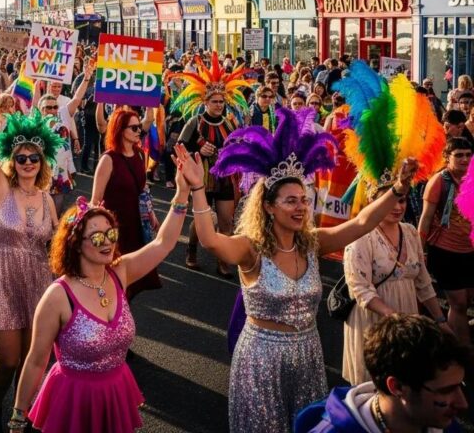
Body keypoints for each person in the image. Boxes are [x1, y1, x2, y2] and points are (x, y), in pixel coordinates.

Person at [178, 107, 418, 433]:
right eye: (290, 201)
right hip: (261, 360)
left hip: (308, 354)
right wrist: (196, 188)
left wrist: (398, 187)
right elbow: (209, 239)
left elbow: (362, 222)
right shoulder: (251, 248)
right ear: (268, 206)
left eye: (304, 200)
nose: (301, 207)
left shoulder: (311, 243)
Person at [10, 170, 192, 433]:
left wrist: (182, 193)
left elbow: (163, 243)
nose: (107, 243)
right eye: (96, 237)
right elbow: (37, 360)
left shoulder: (120, 271)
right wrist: (18, 418)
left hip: (116, 392)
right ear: (75, 243)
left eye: (111, 234)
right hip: (74, 400)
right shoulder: (58, 296)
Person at [0, 87, 61, 433]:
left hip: (38, 280)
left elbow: (56, 247)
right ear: (12, 161)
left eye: (33, 157)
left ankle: (20, 415)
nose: (27, 163)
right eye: (20, 158)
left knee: (31, 360)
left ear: (42, 161)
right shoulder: (0, 191)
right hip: (3, 278)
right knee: (7, 362)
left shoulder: (48, 199)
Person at [341, 177, 446, 384]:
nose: (398, 207)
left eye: (403, 200)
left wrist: (440, 320)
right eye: (391, 201)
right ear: (374, 202)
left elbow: (423, 282)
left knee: (406, 384)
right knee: (375, 387)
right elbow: (359, 288)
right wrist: (393, 316)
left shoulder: (410, 232)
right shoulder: (360, 235)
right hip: (374, 322)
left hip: (405, 317)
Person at [295, 314, 469, 432]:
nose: (463, 404)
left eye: (460, 386)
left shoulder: (442, 424)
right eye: (446, 390)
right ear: (397, 386)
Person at [172, 53, 254, 275]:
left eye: (221, 101)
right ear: (205, 102)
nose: (219, 105)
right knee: (205, 219)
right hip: (202, 178)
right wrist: (198, 150)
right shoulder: (195, 122)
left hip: (225, 177)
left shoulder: (229, 123)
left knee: (226, 220)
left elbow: (238, 147)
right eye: (214, 101)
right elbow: (178, 147)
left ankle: (223, 260)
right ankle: (191, 249)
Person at [91, 107, 161, 300]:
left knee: (132, 277)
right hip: (113, 228)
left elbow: (143, 189)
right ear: (120, 129)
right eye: (134, 128)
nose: (139, 131)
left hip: (136, 224)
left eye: (139, 127)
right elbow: (95, 200)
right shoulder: (108, 159)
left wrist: (151, 214)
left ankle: (122, 315)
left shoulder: (139, 154)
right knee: (114, 277)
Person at [418, 137, 474, 344]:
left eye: (468, 155)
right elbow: (425, 220)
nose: (465, 159)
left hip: (470, 251)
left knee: (467, 300)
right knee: (458, 304)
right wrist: (420, 252)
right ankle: (463, 351)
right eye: (458, 155)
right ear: (447, 158)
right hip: (445, 252)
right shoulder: (439, 182)